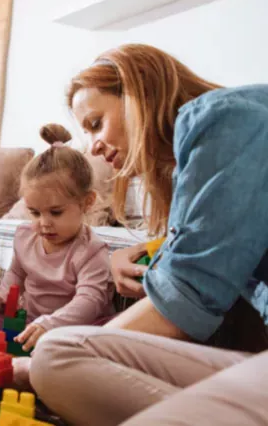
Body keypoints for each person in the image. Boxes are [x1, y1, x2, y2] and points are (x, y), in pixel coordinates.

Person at [29, 44, 268, 425]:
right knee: (54, 358)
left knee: (60, 353)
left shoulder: (222, 117)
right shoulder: (216, 144)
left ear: (138, 91)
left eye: (95, 123)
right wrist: (140, 251)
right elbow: (213, 241)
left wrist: (90, 345)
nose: (92, 145)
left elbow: (186, 296)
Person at [0, 124, 114, 381]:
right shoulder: (26, 237)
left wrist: (50, 324)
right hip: (29, 323)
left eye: (55, 212)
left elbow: (90, 302)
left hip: (72, 327)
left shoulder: (92, 251)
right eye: (35, 213)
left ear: (87, 202)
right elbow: (14, 278)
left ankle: (38, 366)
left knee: (100, 341)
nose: (43, 223)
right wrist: (1, 298)